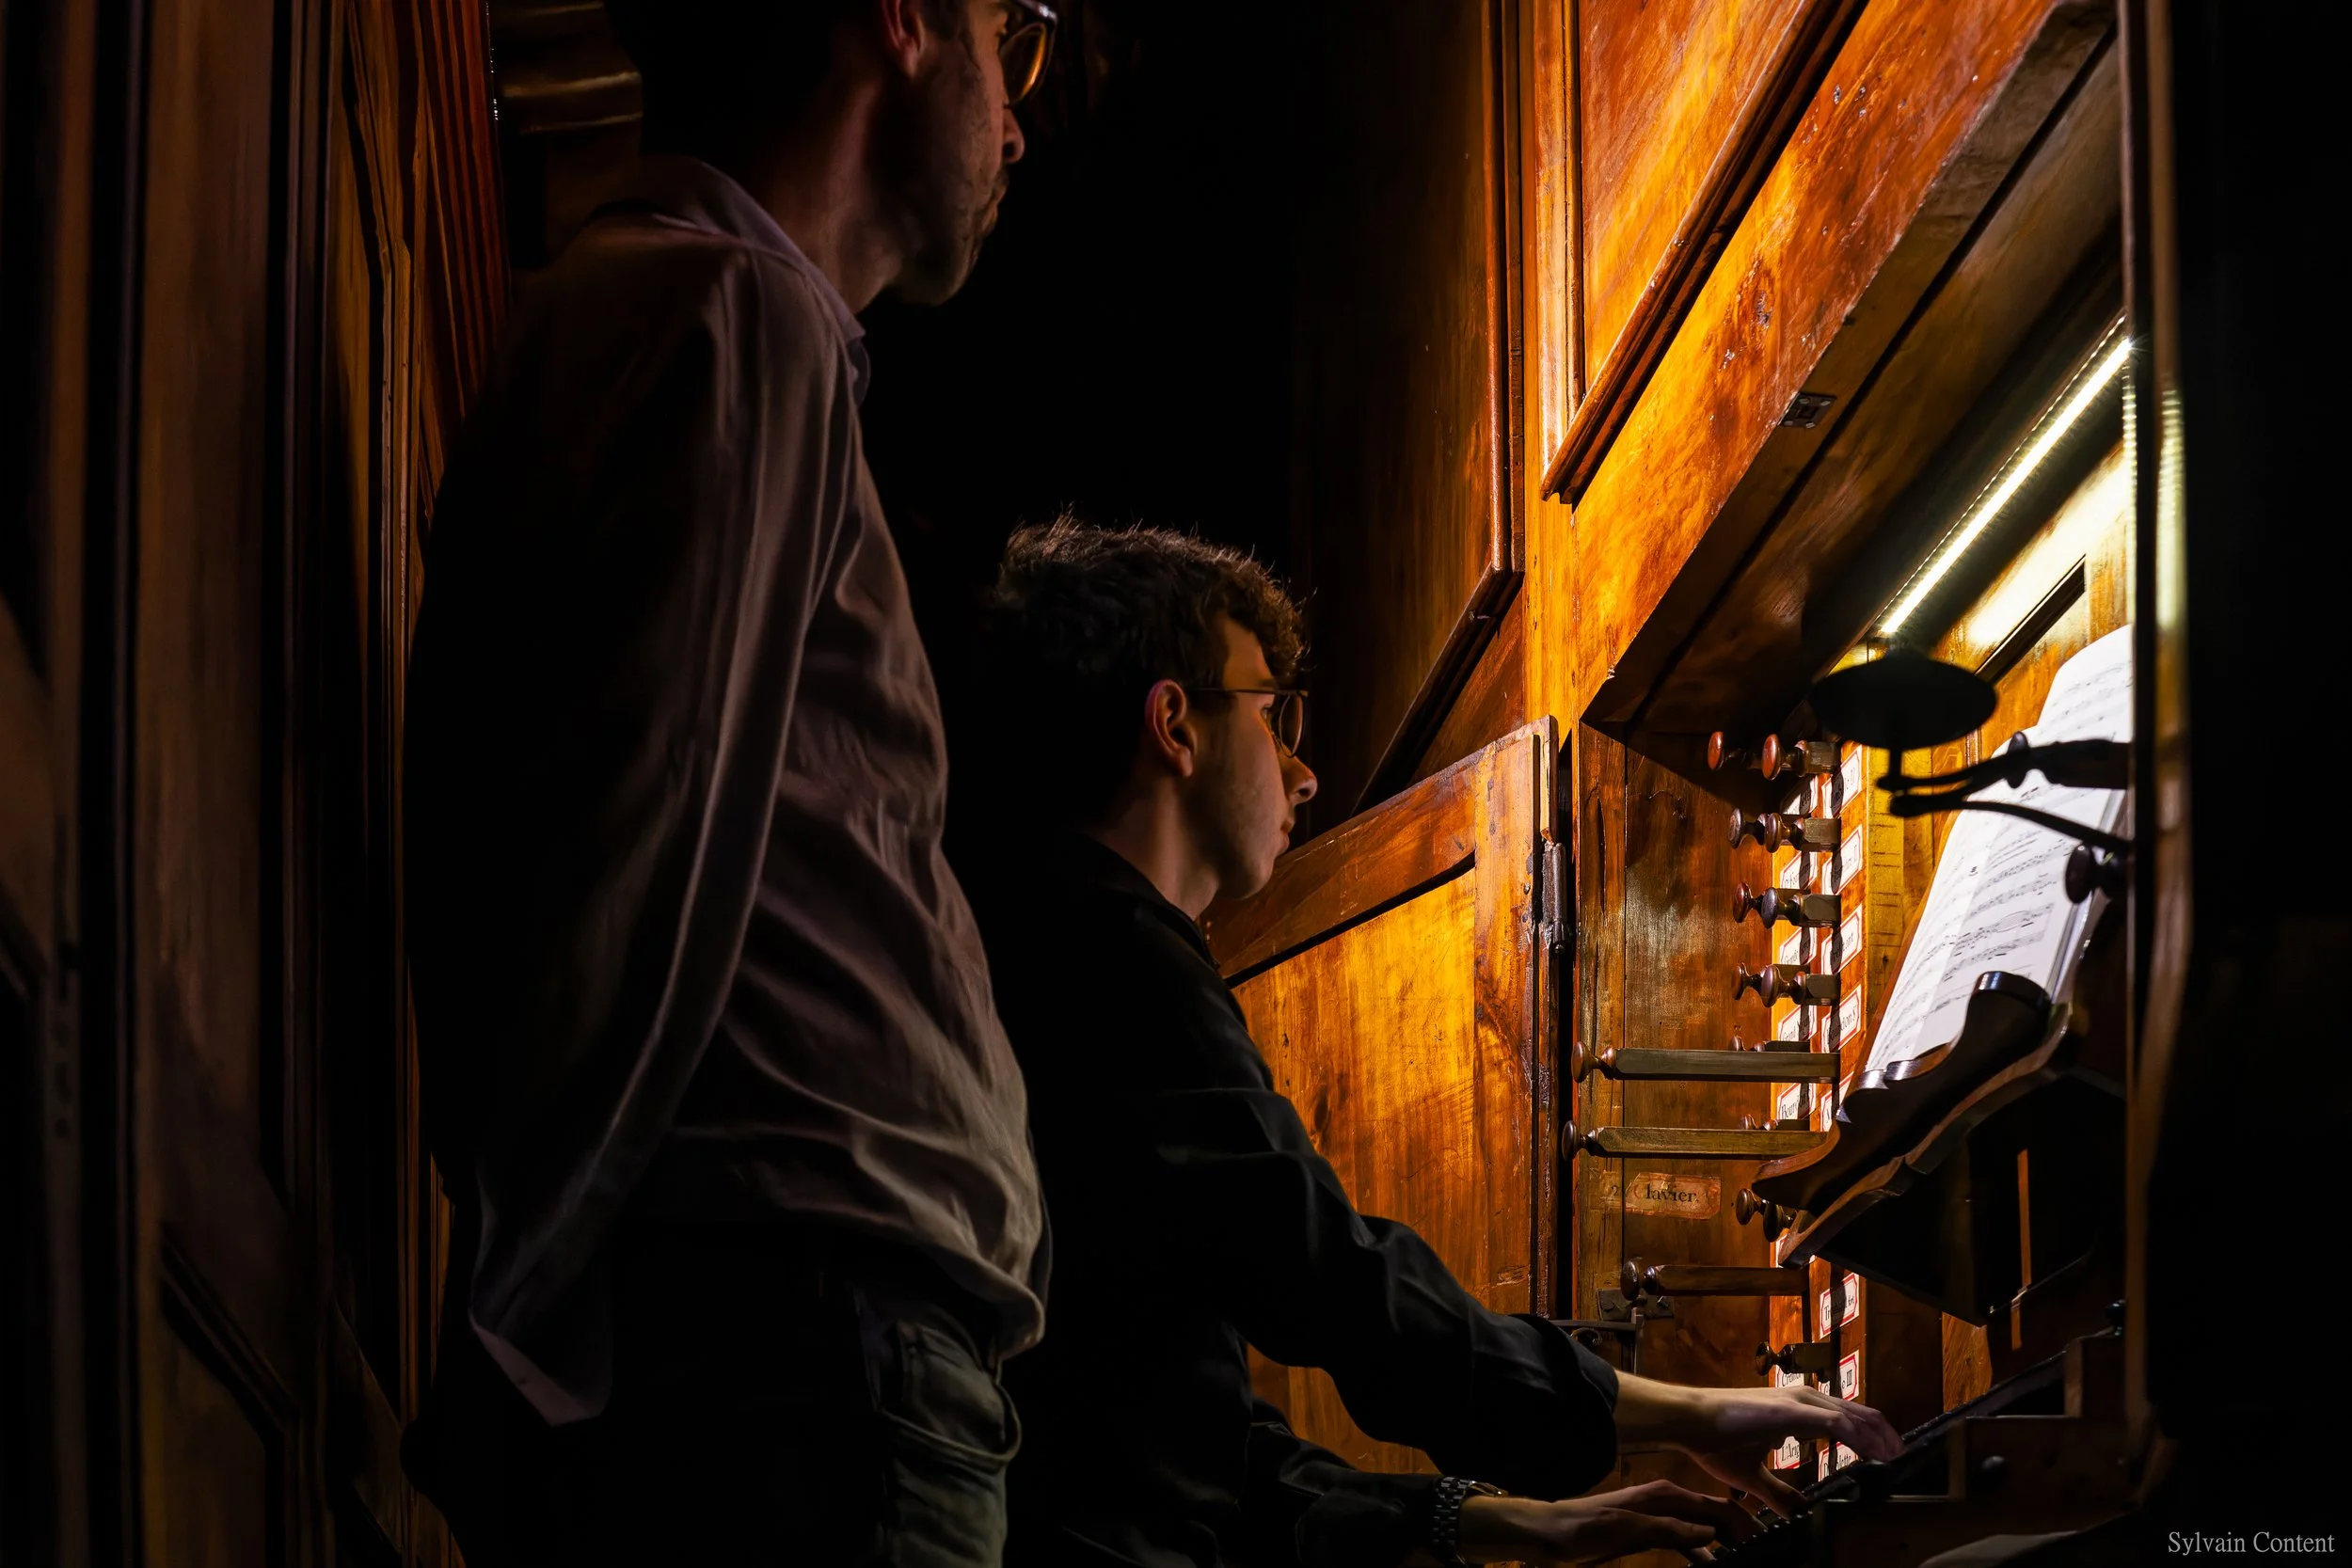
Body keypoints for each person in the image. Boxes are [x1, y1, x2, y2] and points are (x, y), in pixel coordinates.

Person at [399, 3, 1061, 1563]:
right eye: (1004, 36)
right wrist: (517, 1329)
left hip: (801, 1357)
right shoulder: (734, 310)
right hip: (808, 1367)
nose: (1019, 125)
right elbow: (637, 866)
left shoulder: (703, 311)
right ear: (899, 21)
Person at [965, 520, 1904, 1568]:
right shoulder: (1106, 956)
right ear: (1175, 724)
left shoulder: (1050, 946)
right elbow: (1331, 1283)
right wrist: (1684, 1410)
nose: (1304, 772)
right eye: (1274, 716)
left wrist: (1506, 1518)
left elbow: (1166, 1424)